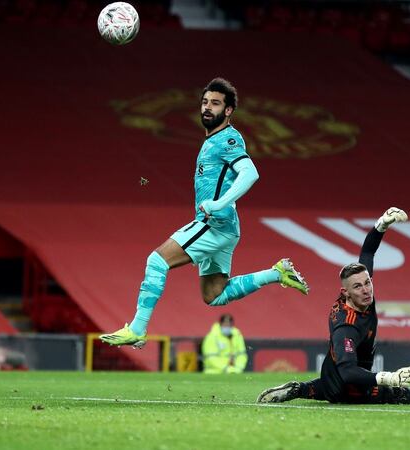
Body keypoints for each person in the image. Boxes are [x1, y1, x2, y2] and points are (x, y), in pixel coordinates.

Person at [100, 77, 309, 349]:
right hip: (226, 228)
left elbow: (250, 173)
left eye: (216, 103)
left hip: (215, 223)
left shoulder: (228, 138)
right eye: (205, 102)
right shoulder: (212, 139)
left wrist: (220, 203)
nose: (207, 108)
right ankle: (277, 273)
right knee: (214, 296)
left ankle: (137, 329)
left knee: (156, 261)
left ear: (229, 110)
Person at [257, 207, 410, 405]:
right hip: (350, 386)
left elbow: (368, 252)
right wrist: (390, 378)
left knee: (328, 383)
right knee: (400, 394)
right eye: (358, 286)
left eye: (368, 282)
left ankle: (301, 389)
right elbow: (349, 373)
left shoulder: (359, 295)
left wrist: (381, 225)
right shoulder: (346, 326)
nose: (366, 290)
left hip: (330, 377)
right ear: (346, 293)